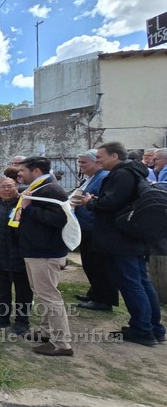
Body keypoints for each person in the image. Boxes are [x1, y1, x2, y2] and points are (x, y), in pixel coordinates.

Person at [76, 142, 165, 346]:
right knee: (141, 282)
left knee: (132, 283)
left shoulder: (122, 175)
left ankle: (142, 330)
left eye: (100, 158)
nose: (97, 162)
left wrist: (90, 202)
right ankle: (154, 328)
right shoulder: (132, 173)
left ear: (114, 156)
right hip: (131, 236)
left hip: (122, 239)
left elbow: (110, 204)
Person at [14, 156, 73, 356]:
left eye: (22, 170)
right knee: (43, 294)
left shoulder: (51, 189)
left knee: (49, 296)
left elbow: (58, 220)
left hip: (45, 253)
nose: (19, 174)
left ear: (36, 171)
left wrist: (29, 207)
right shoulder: (41, 187)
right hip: (36, 251)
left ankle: (62, 344)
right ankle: (46, 331)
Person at [0, 178, 32, 335]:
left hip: (20, 257)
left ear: (16, 188)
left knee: (23, 291)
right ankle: (2, 317)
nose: (6, 189)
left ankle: (22, 321)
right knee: (2, 290)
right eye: (2, 187)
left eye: (10, 186)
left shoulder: (24, 206)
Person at [71, 150, 116, 311]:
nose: (80, 166)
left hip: (94, 227)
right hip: (85, 226)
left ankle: (103, 300)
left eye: (83, 163)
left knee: (99, 264)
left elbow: (102, 202)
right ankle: (95, 293)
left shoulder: (103, 178)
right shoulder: (90, 178)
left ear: (96, 163)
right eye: (79, 162)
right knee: (90, 263)